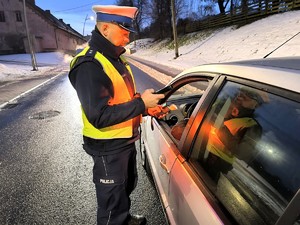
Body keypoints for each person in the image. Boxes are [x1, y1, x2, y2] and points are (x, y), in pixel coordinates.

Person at [68, 5, 165, 225]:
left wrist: (146, 107)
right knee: (111, 203)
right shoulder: (90, 64)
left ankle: (124, 219)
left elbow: (120, 99)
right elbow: (99, 116)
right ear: (104, 29)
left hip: (123, 141)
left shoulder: (114, 57)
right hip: (107, 148)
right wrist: (141, 104)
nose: (129, 35)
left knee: (124, 188)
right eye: (124, 29)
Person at [204, 87, 268, 181]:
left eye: (250, 94)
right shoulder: (225, 106)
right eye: (243, 90)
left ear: (256, 105)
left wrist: (221, 129)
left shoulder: (253, 126)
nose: (242, 94)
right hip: (198, 151)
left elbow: (242, 153)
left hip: (213, 166)